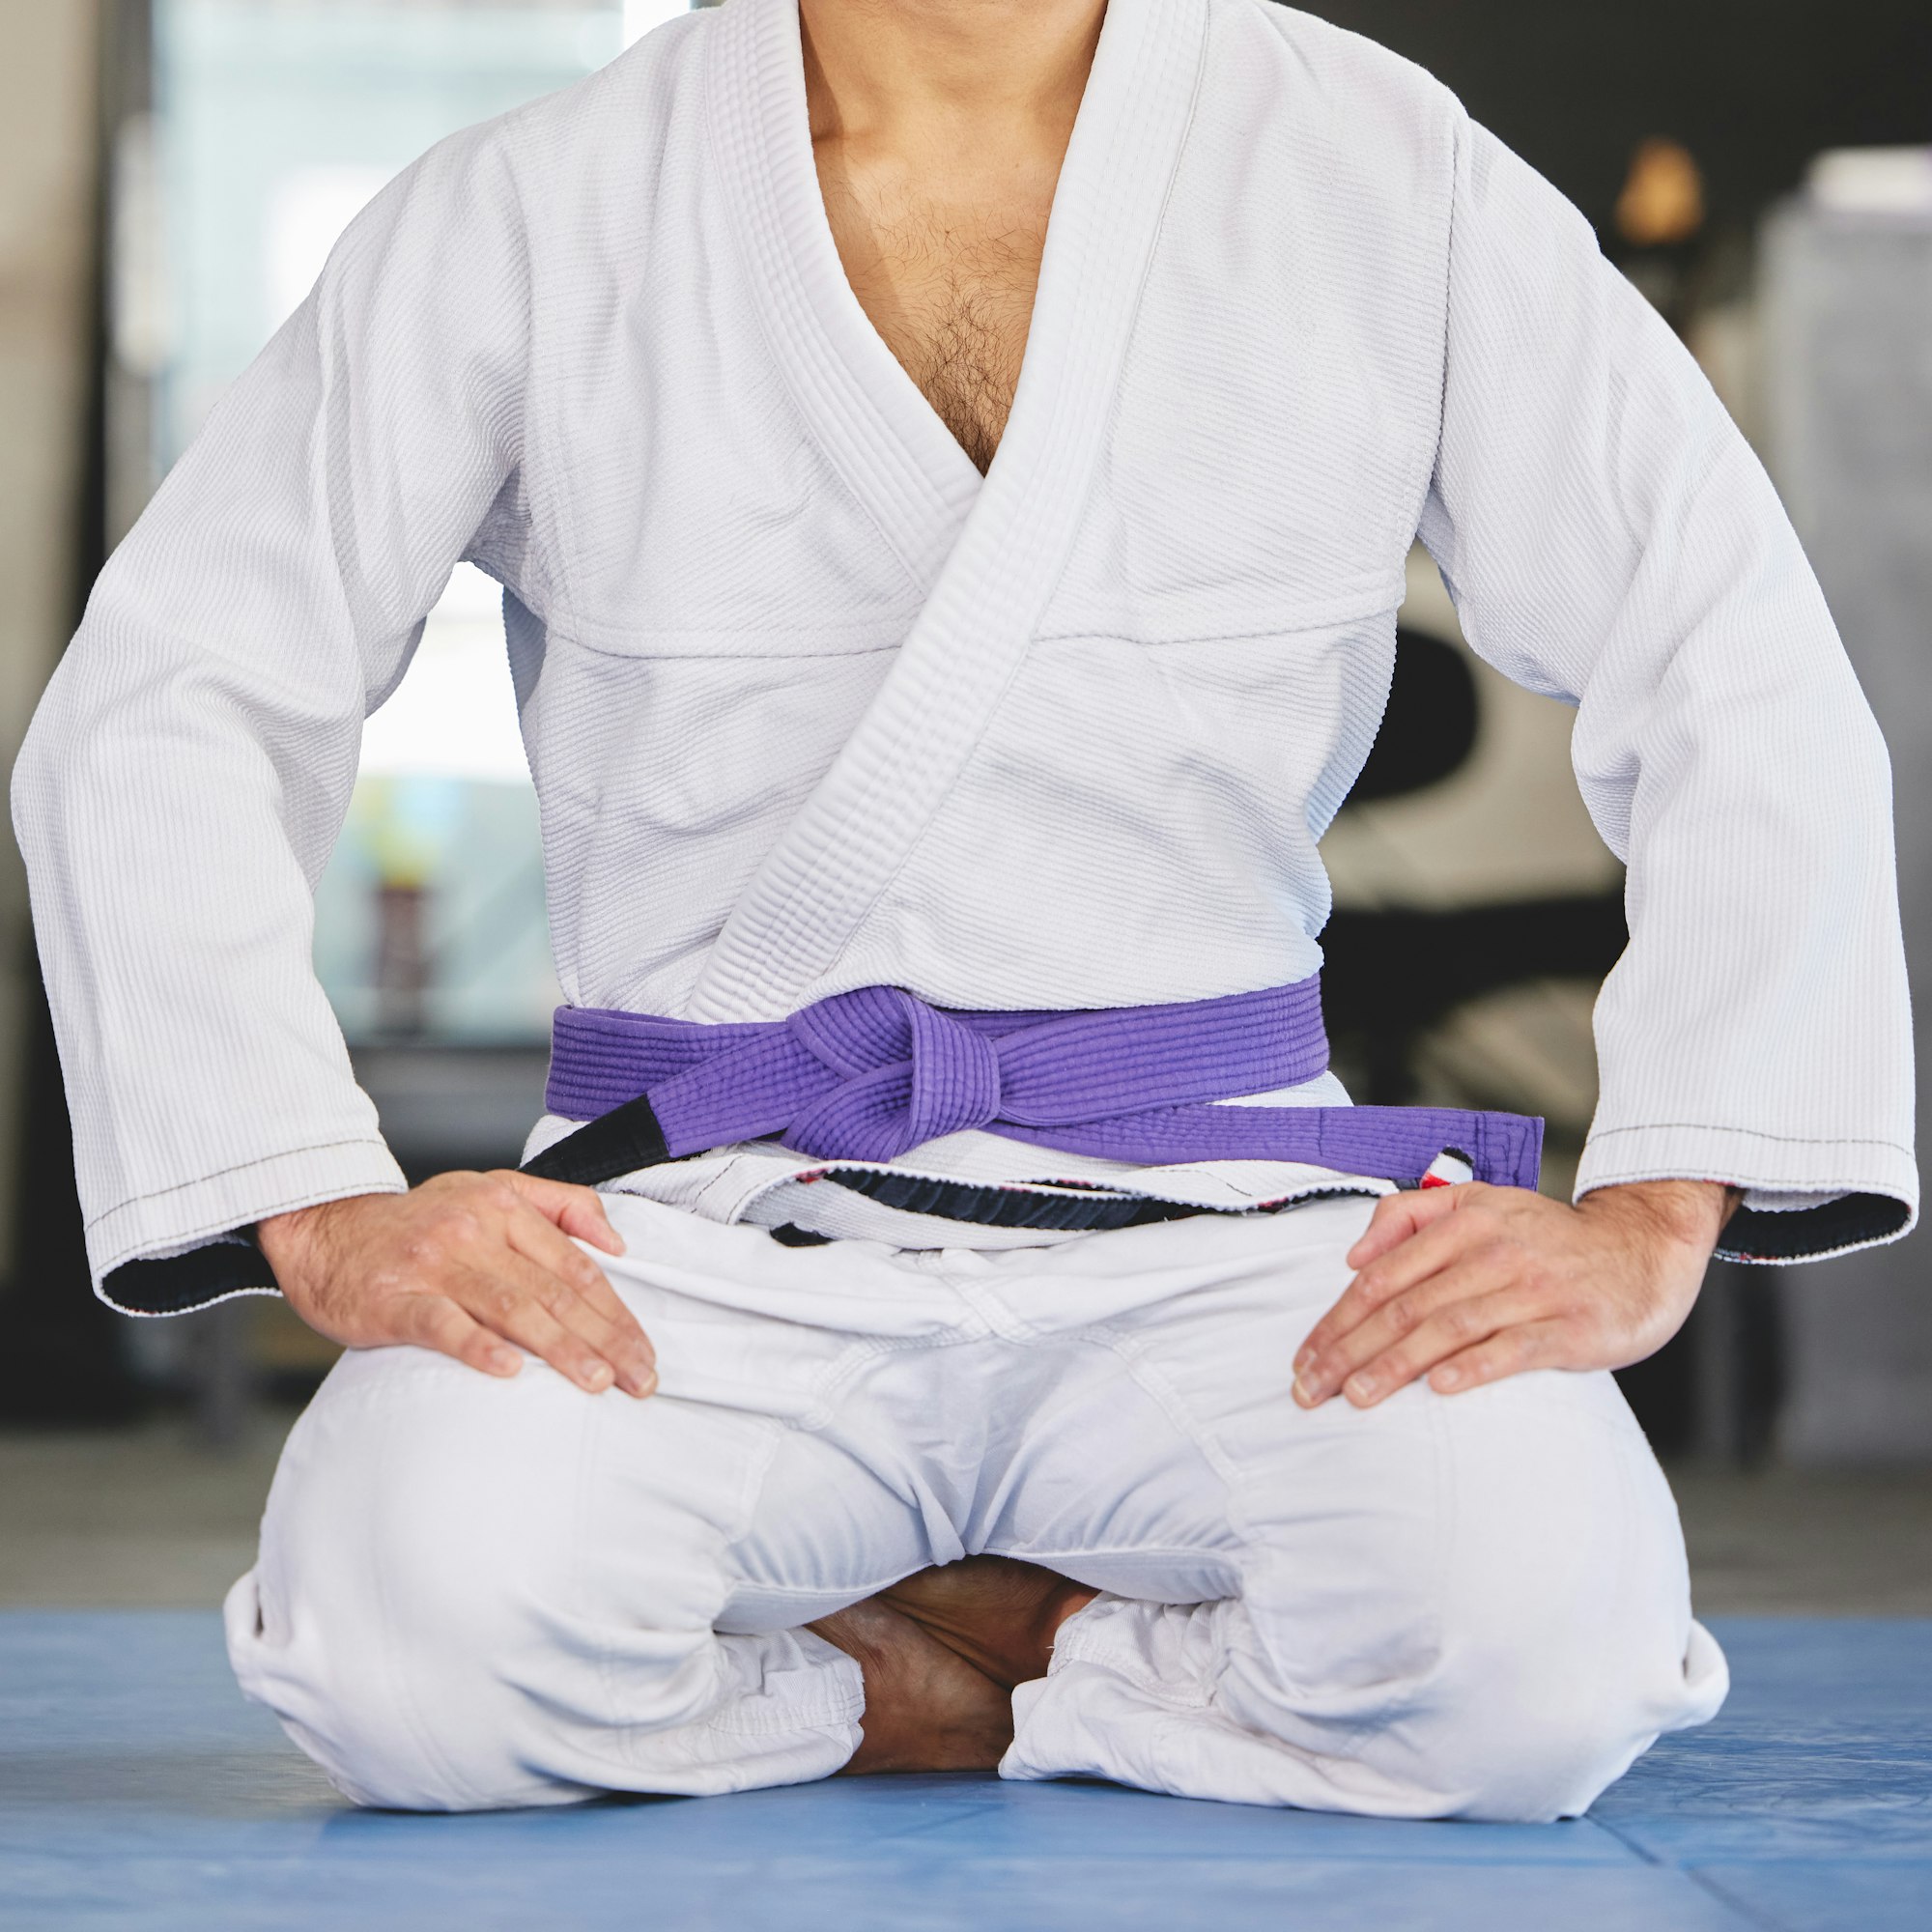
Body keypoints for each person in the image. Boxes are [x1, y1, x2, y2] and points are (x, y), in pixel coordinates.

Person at [13, 0, 1913, 1818]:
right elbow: (173, 695)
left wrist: (1658, 1207)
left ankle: (1011, 1655)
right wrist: (311, 1197)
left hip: (1237, 1210)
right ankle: (940, 1688)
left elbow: (1727, 654)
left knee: (1543, 1673)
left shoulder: (1378, 171)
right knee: (402, 1654)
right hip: (705, 1221)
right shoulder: (536, 203)